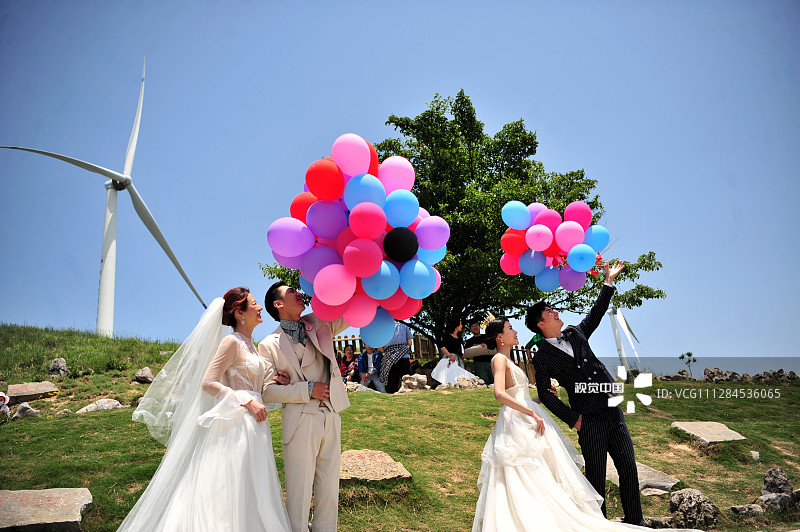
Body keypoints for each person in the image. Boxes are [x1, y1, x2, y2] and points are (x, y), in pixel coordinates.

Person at [473, 316, 702, 532]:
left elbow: (516, 393)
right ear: (500, 337)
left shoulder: (510, 359)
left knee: (536, 471)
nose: (514, 331)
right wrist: (531, 413)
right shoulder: (499, 359)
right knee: (518, 470)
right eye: (510, 328)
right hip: (517, 421)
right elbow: (500, 394)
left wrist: (536, 400)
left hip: (527, 415)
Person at [118, 287, 291, 532]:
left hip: (255, 425)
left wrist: (274, 383)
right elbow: (208, 382)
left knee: (254, 485)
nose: (260, 308)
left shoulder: (253, 346)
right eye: (254, 304)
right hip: (236, 423)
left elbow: (254, 387)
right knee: (232, 484)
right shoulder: (231, 342)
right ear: (240, 313)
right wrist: (245, 401)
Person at [526, 260, 646, 526]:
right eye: (549, 311)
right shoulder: (542, 357)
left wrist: (608, 282)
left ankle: (635, 523)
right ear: (540, 324)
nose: (555, 311)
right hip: (588, 419)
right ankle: (598, 526)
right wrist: (573, 419)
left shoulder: (576, 333)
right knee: (595, 477)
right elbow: (545, 394)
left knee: (628, 467)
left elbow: (597, 313)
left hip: (612, 411)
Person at [259, 282, 350, 532]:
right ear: (278, 304)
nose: (298, 294)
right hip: (300, 420)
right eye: (291, 293)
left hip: (330, 413)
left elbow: (348, 313)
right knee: (299, 490)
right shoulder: (268, 344)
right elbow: (267, 391)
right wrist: (307, 389)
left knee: (329, 487)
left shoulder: (318, 321)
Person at [379, 321, 413, 394]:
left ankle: (393, 401)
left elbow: (381, 349)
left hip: (390, 359)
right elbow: (410, 343)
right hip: (404, 357)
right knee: (408, 382)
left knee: (392, 384)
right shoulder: (404, 326)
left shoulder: (383, 329)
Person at [465, 318, 493, 385]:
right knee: (483, 382)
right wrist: (478, 346)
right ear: (470, 329)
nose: (475, 327)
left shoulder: (487, 337)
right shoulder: (469, 341)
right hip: (479, 363)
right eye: (473, 326)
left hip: (491, 361)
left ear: (479, 327)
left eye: (476, 325)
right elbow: (468, 353)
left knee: (496, 381)